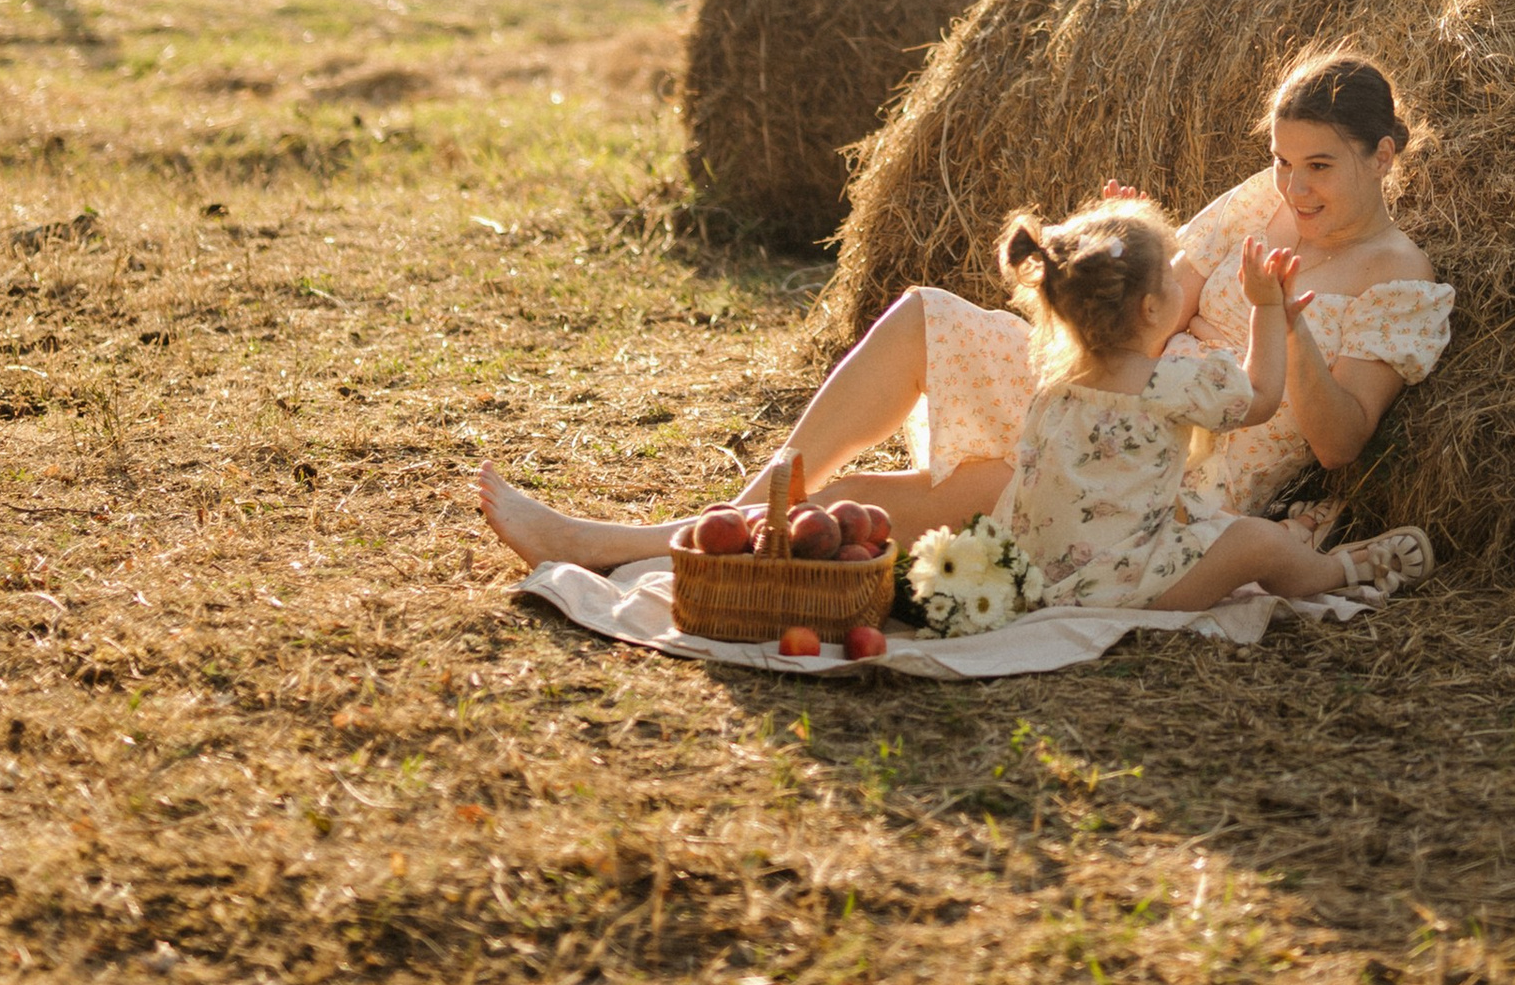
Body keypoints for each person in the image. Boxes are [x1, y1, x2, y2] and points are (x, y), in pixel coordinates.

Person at [476, 47, 1449, 577]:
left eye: (1319, 164)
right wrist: (1107, 246)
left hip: (1176, 465)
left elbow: (1336, 441)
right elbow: (1176, 281)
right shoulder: (1265, 200)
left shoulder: (1397, 278)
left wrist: (1290, 322)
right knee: (923, 315)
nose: (1296, 184)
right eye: (1284, 159)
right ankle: (745, 507)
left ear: (1384, 153)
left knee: (962, 494)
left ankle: (626, 543)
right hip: (1116, 379)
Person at [990, 196, 1431, 609]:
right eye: (1170, 274)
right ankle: (1337, 569)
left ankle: (1297, 533)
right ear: (1149, 309)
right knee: (1257, 542)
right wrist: (1267, 309)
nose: (1179, 279)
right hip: (1121, 586)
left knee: (1190, 505)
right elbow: (1261, 398)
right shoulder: (1172, 382)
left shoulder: (1054, 381)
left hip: (1028, 573)